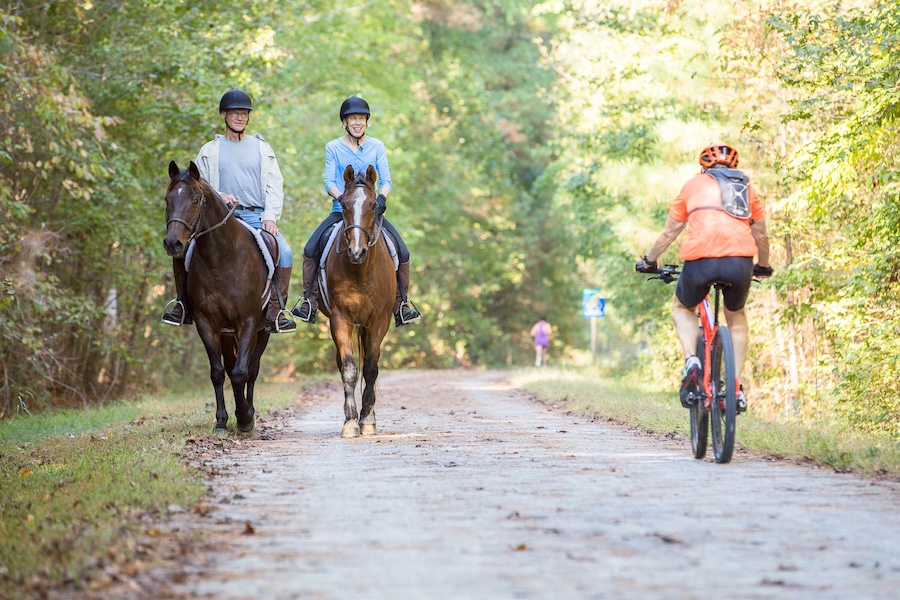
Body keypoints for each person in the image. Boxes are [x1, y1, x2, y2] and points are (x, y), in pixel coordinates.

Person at [635, 142, 772, 412]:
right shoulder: (746, 187)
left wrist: (650, 261)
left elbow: (669, 233)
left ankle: (692, 362)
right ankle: (735, 387)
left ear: (704, 167)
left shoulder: (692, 186)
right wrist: (763, 266)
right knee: (737, 317)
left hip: (700, 261)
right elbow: (762, 235)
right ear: (733, 167)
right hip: (739, 262)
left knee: (682, 307)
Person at [162, 89, 297, 333]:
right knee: (184, 252)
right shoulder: (209, 150)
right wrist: (219, 196)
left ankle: (276, 312)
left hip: (255, 215)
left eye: (244, 113)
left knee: (285, 253)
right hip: (219, 219)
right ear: (224, 115)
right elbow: (197, 187)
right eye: (235, 113)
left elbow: (275, 184)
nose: (240, 118)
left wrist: (269, 216)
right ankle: (182, 304)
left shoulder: (261, 148)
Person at [292, 95, 422, 327]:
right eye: (353, 118)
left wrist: (382, 197)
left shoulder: (377, 146)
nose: (357, 122)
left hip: (371, 213)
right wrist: (341, 198)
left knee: (403, 252)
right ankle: (308, 301)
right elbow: (328, 181)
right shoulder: (333, 147)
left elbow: (387, 180)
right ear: (344, 122)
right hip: (342, 211)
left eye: (361, 118)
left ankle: (402, 304)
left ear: (367, 122)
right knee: (310, 248)